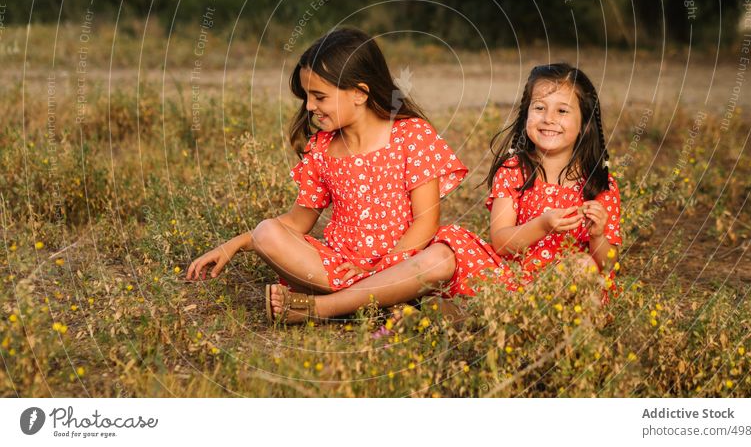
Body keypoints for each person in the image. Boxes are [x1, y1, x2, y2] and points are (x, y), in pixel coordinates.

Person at [186, 27, 505, 323]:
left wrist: (385, 269)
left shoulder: (411, 134)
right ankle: (383, 302)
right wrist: (238, 243)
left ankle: (327, 307)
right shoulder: (322, 149)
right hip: (342, 267)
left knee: (441, 258)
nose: (309, 106)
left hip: (406, 262)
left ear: (360, 93)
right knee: (267, 232)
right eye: (307, 97)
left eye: (319, 96)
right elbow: (297, 223)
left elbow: (426, 223)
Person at [485, 63, 622, 294]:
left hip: (571, 285)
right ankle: (518, 308)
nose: (549, 119)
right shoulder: (513, 171)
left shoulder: (599, 184)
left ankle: (536, 314)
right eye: (539, 108)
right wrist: (542, 225)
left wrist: (597, 235)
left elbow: (609, 264)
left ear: (584, 124)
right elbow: (500, 243)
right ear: (526, 112)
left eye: (562, 111)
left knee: (584, 266)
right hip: (515, 281)